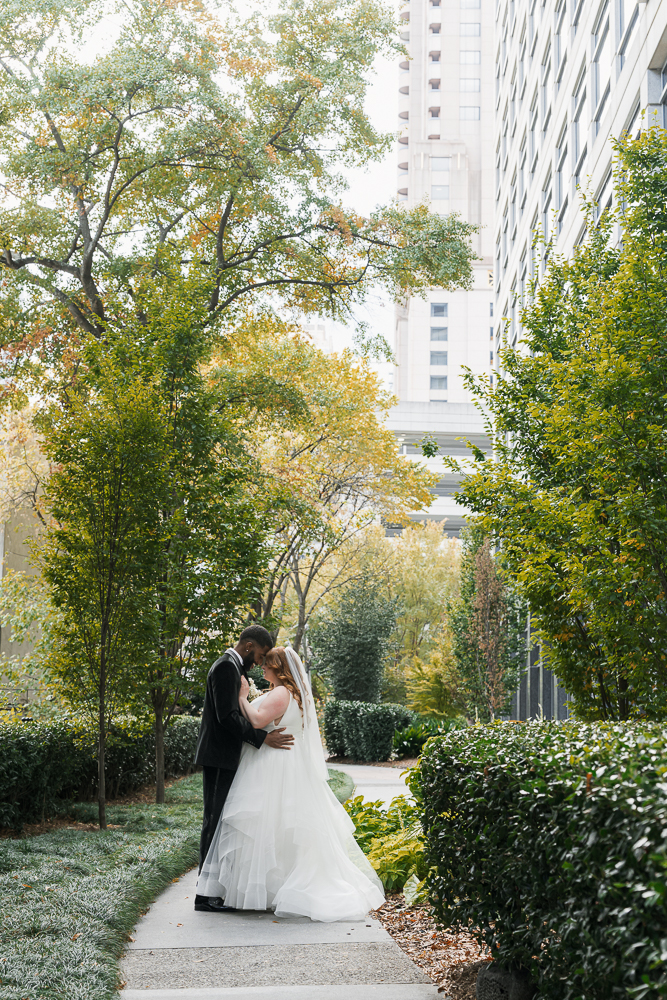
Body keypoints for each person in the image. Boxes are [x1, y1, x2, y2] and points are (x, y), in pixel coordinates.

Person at [197, 646, 384, 922]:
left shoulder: (282, 692)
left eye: (267, 665)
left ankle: (266, 889)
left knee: (267, 827)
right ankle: (272, 888)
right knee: (279, 829)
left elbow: (260, 720)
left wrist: (242, 697)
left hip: (274, 764)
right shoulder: (293, 693)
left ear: (279, 669)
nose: (262, 668)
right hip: (287, 763)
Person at [193, 625, 294, 913]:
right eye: (260, 655)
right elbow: (226, 717)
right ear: (249, 646)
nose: (261, 662)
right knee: (213, 820)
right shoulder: (226, 667)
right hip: (218, 755)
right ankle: (204, 896)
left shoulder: (235, 667)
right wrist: (263, 738)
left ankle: (214, 890)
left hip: (225, 755)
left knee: (219, 819)